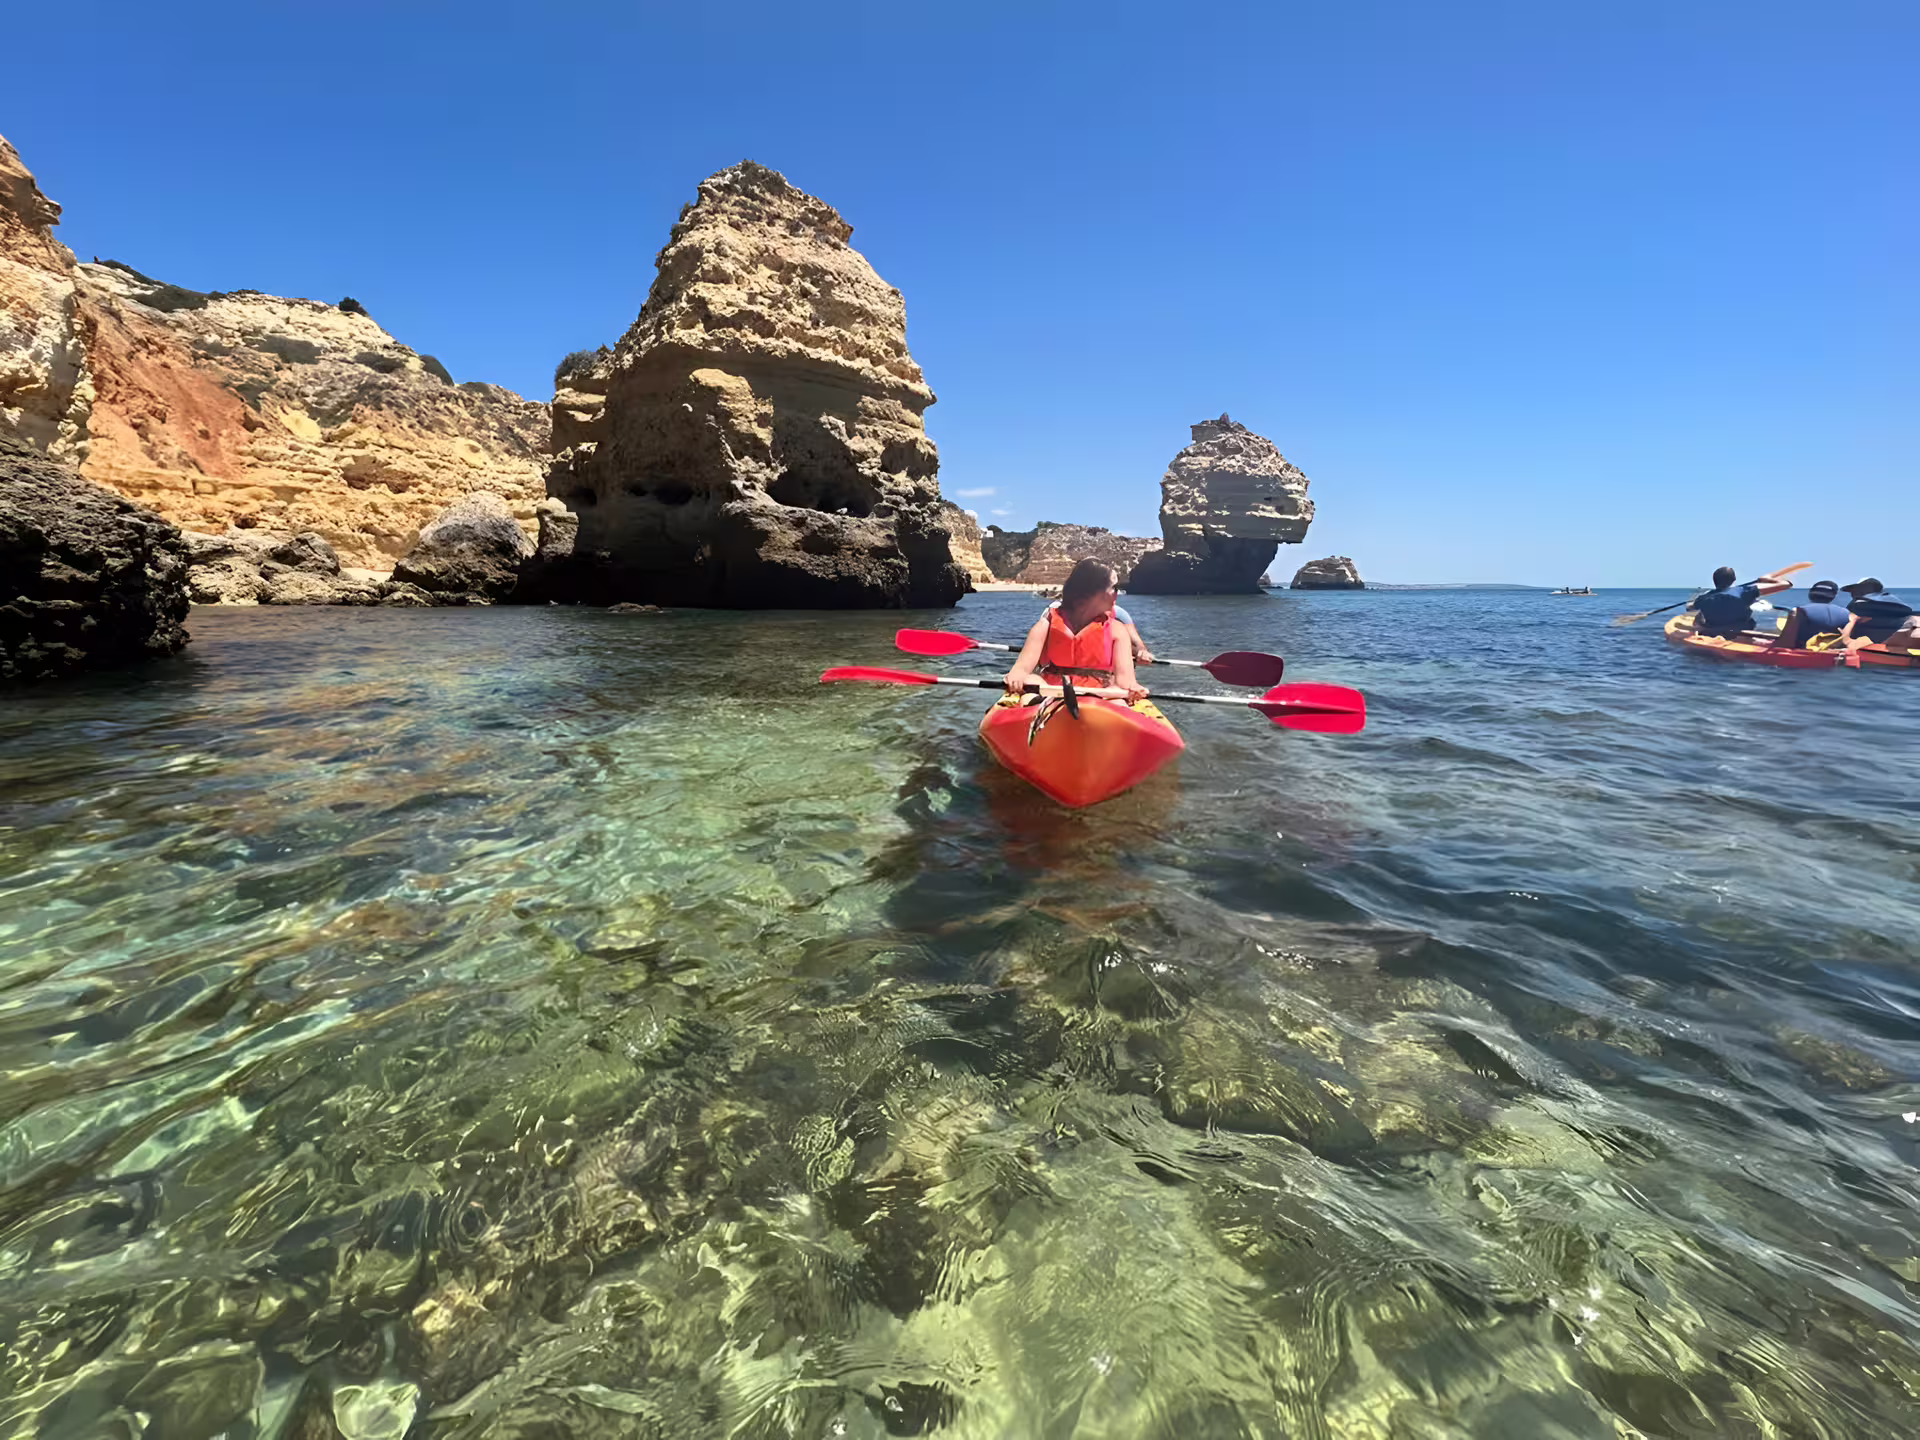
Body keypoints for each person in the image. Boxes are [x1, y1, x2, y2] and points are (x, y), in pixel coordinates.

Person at [1005, 558, 1148, 703]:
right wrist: (1017, 677)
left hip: (1100, 696)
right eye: (1114, 588)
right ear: (1094, 591)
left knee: (1118, 699)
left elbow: (1125, 682)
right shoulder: (1046, 624)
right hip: (1052, 693)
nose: (1117, 594)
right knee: (1031, 679)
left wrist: (1133, 687)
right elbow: (1022, 669)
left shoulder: (1118, 631)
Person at [1687, 565, 1796, 639]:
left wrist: (1697, 600)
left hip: (1713, 633)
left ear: (1714, 581)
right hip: (1742, 634)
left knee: (1699, 615)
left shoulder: (1704, 597)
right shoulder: (1745, 591)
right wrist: (1769, 579)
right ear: (1734, 580)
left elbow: (1689, 607)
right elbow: (1787, 584)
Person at [1049, 596, 1154, 664]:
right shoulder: (1056, 612)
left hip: (1106, 675)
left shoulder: (1119, 614)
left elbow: (1137, 643)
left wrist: (1142, 652)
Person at [1774, 580, 1855, 649]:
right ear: (1834, 596)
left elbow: (1785, 643)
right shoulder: (1848, 614)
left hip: (1802, 655)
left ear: (1810, 594)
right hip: (1832, 655)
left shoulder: (1799, 612)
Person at [1835, 578, 1914, 646]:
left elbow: (1850, 618)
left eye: (1854, 590)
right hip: (1899, 634)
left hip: (1870, 638)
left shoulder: (1860, 603)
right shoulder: (1897, 602)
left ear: (1866, 589)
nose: (1852, 594)